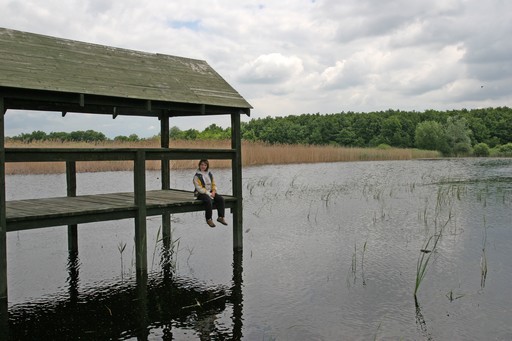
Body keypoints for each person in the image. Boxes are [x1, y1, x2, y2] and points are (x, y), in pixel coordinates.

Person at [193, 159, 227, 227]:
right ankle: (209, 219)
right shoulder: (196, 176)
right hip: (200, 193)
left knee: (220, 199)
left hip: (210, 191)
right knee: (208, 201)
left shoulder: (209, 174)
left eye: (205, 165)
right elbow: (199, 188)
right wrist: (209, 194)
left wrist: (214, 191)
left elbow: (213, 183)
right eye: (202, 165)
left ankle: (221, 217)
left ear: (207, 166)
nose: (203, 166)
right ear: (199, 165)